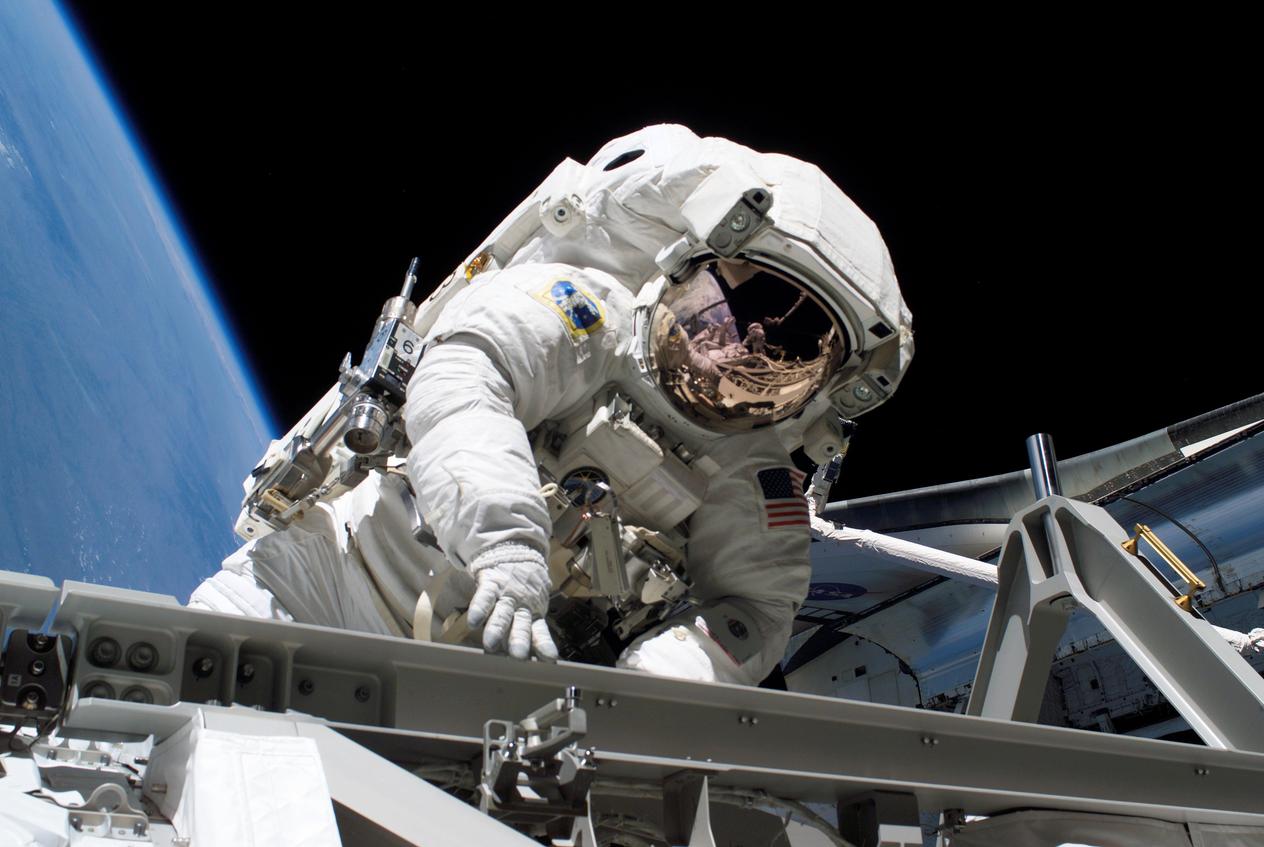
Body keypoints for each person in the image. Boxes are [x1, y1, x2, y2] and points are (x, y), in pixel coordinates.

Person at [190, 125, 914, 685]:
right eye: (745, 298)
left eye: (799, 343)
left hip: (480, 688)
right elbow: (465, 376)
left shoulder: (754, 473)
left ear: (819, 387)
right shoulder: (582, 315)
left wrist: (656, 685)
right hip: (329, 581)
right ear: (682, 269)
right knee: (162, 731)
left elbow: (754, 612)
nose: (759, 337)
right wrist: (506, 545)